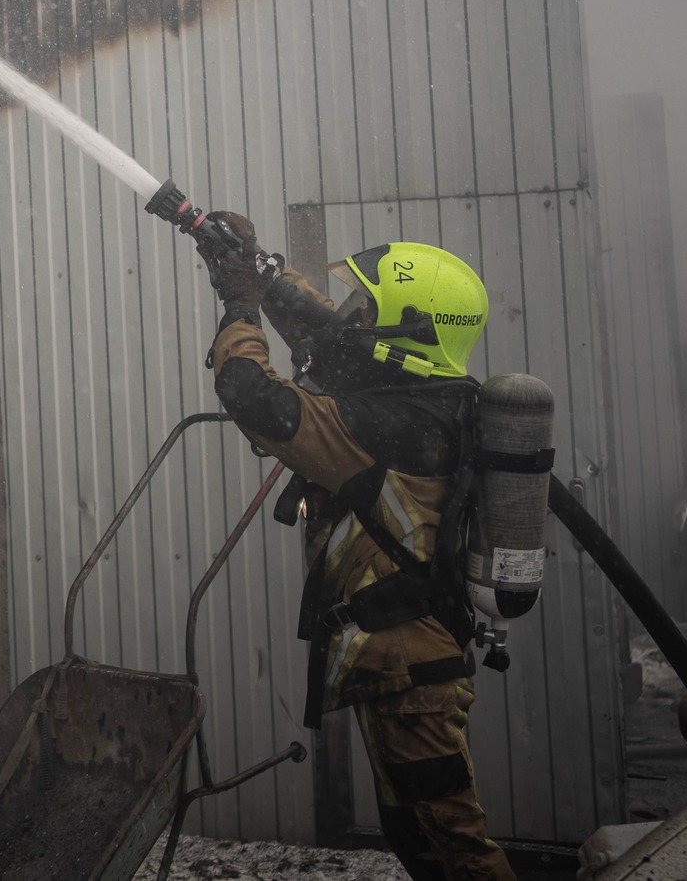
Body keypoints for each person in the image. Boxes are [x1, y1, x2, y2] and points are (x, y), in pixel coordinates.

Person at [198, 212, 515, 881]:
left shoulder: (380, 423)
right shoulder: (424, 398)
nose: (352, 315)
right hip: (408, 665)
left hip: (411, 672)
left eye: (367, 307)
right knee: (422, 840)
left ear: (411, 327)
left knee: (455, 849)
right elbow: (333, 339)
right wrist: (255, 266)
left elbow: (250, 395)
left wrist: (238, 304)